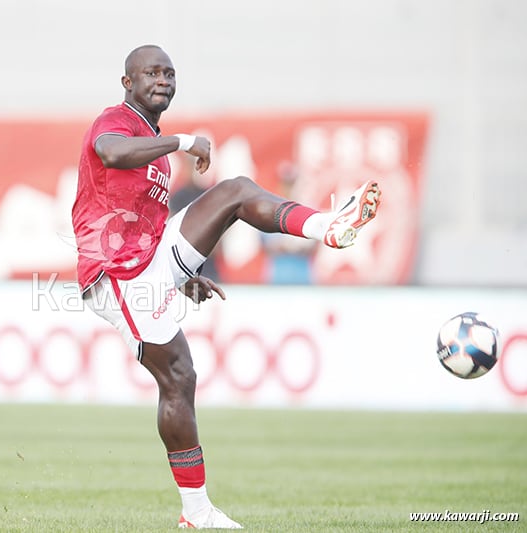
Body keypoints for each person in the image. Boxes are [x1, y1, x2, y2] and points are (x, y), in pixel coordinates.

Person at [71, 44, 381, 530]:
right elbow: (110, 152)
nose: (163, 80)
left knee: (235, 190)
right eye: (151, 73)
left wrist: (180, 276)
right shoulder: (116, 121)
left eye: (170, 73)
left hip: (148, 260)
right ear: (127, 82)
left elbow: (145, 223)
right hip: (116, 272)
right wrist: (183, 141)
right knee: (178, 375)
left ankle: (327, 225)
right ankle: (197, 513)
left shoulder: (152, 143)